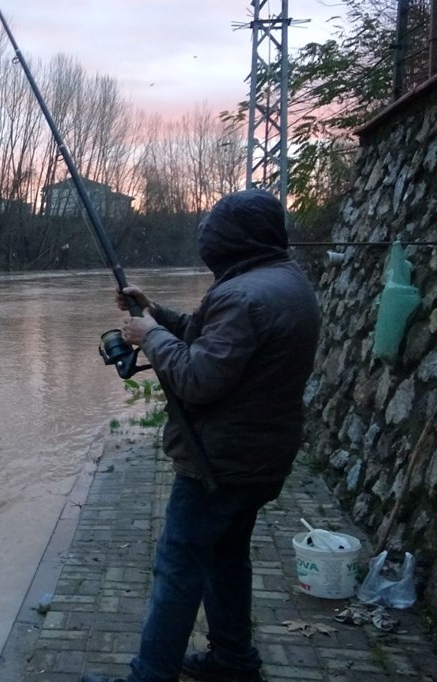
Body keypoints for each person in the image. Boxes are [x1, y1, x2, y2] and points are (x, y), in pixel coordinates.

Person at [82, 189, 321, 682]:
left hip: (220, 464)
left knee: (178, 569)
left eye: (214, 228)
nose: (205, 235)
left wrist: (147, 335)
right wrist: (158, 315)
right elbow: (211, 339)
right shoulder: (284, 281)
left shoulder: (242, 294)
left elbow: (196, 377)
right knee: (226, 557)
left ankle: (151, 676)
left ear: (232, 239)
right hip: (261, 457)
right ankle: (233, 661)